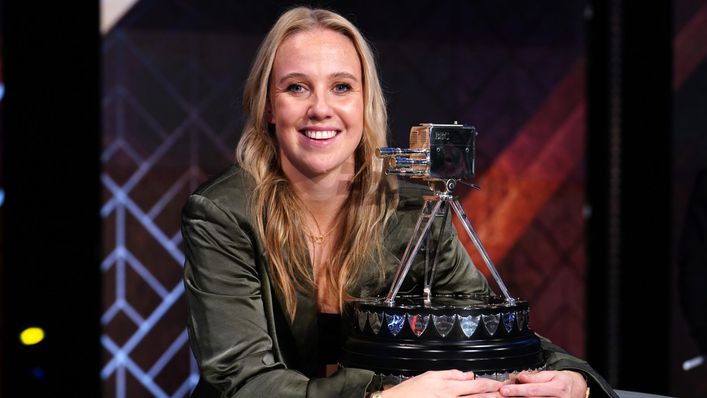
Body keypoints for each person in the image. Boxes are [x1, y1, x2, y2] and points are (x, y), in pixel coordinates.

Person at [181, 6, 617, 398]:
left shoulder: (414, 207)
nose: (320, 108)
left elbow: (479, 324)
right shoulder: (222, 214)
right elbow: (244, 382)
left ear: (365, 102)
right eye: (296, 87)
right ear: (268, 108)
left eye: (341, 87)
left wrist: (573, 380)